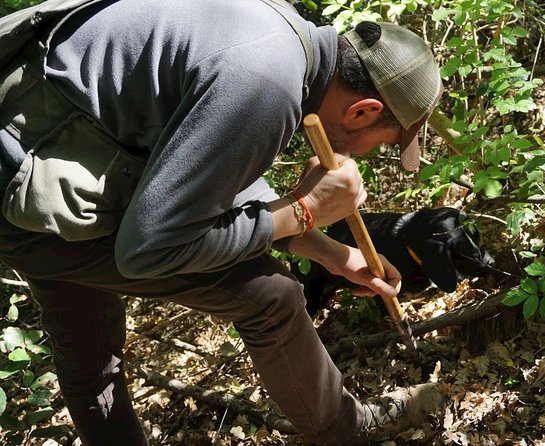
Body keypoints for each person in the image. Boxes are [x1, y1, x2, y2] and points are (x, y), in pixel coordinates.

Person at [0, 0, 444, 444]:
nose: (368, 154)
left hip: (47, 162)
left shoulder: (277, 32)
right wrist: (302, 209)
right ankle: (346, 431)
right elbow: (150, 249)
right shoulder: (266, 83)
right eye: (384, 143)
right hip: (29, 186)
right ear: (363, 111)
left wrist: (331, 252)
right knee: (270, 296)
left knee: (86, 335)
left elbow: (206, 174)